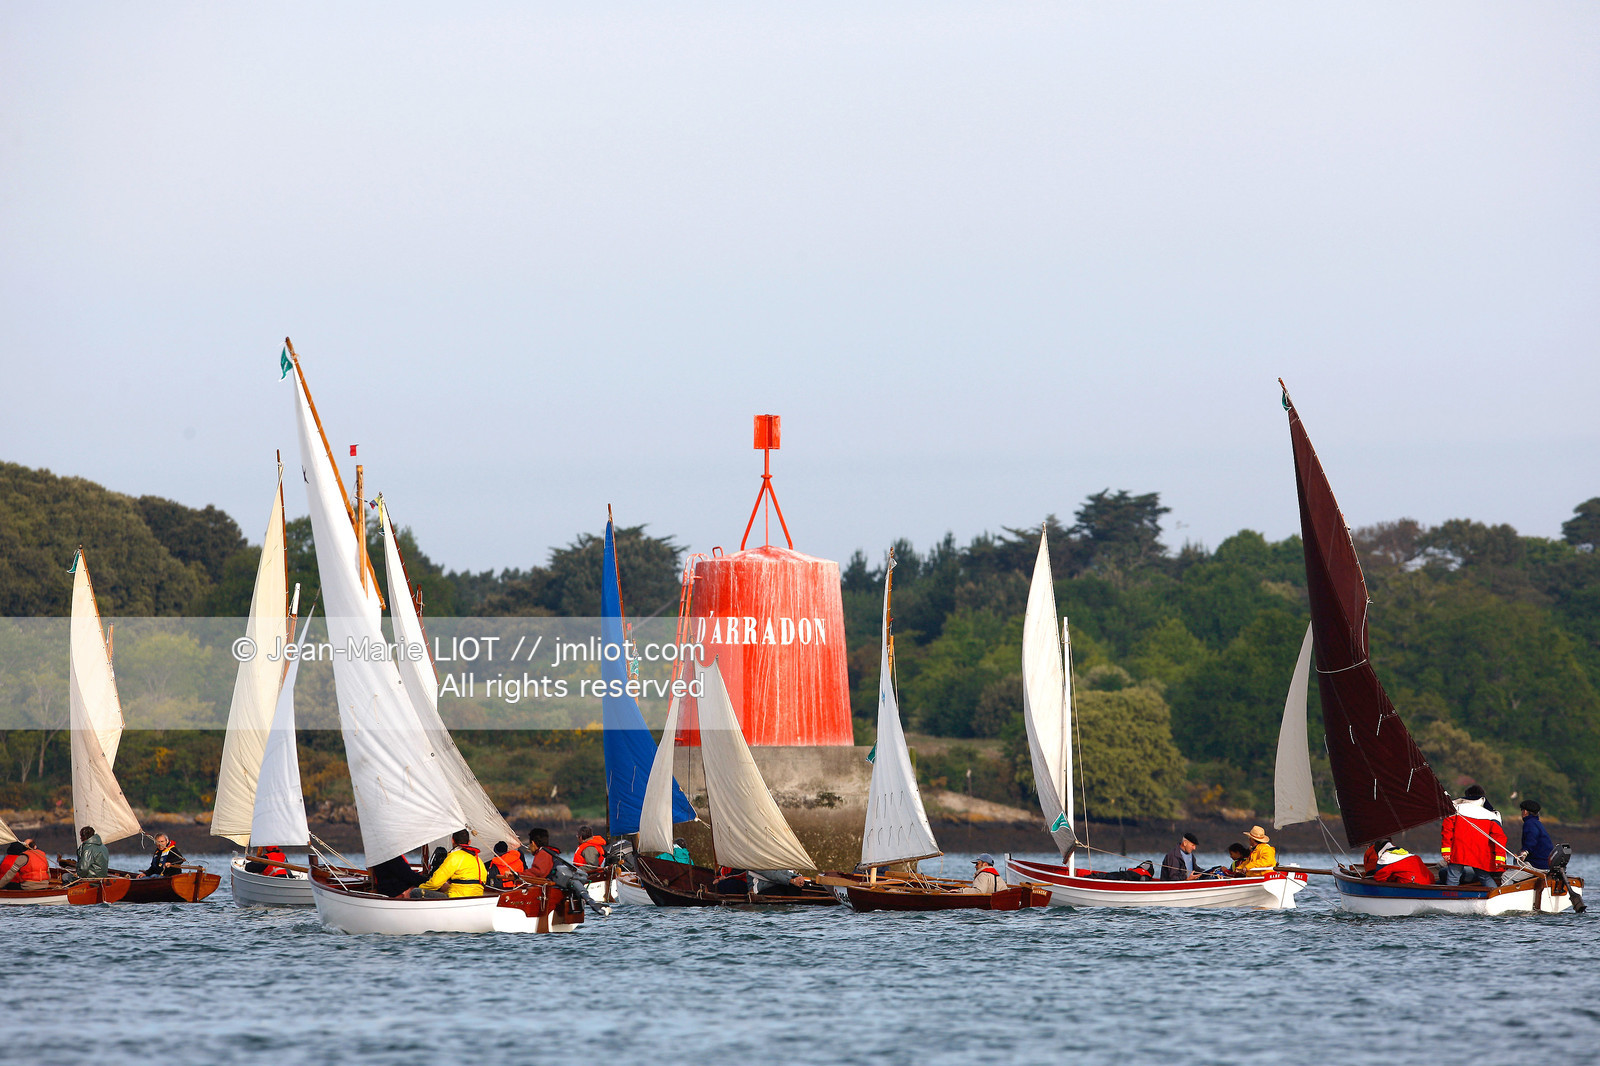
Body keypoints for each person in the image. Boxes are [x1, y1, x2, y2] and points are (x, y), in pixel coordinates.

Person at [1441, 785, 1507, 887]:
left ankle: (1450, 897)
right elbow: (1499, 839)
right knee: (1484, 877)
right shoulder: (1491, 815)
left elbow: (1447, 831)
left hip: (1459, 851)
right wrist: (1500, 859)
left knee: (1453, 877)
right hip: (1480, 853)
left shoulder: (1456, 810)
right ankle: (1496, 895)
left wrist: (1446, 851)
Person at [413, 829, 488, 899]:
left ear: (452, 840)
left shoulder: (454, 856)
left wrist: (419, 887)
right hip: (476, 897)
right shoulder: (477, 859)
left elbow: (434, 884)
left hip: (457, 897)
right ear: (469, 842)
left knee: (415, 892)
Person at [1519, 800, 1554, 870]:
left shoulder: (1529, 823)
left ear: (1525, 812)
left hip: (1536, 864)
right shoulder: (1538, 823)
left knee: (1505, 877)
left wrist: (1525, 851)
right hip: (1547, 864)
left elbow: (1532, 838)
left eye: (1522, 810)